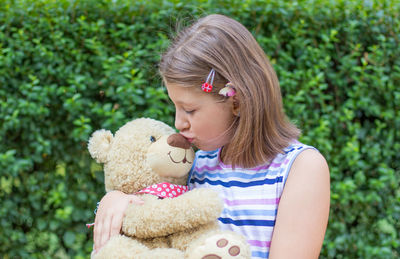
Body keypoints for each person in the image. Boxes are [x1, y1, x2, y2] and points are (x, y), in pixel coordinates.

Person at [93, 14, 330, 259]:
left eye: (190, 110)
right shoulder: (194, 165)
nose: (178, 123)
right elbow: (156, 211)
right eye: (175, 107)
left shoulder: (300, 168)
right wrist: (118, 199)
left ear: (236, 102)